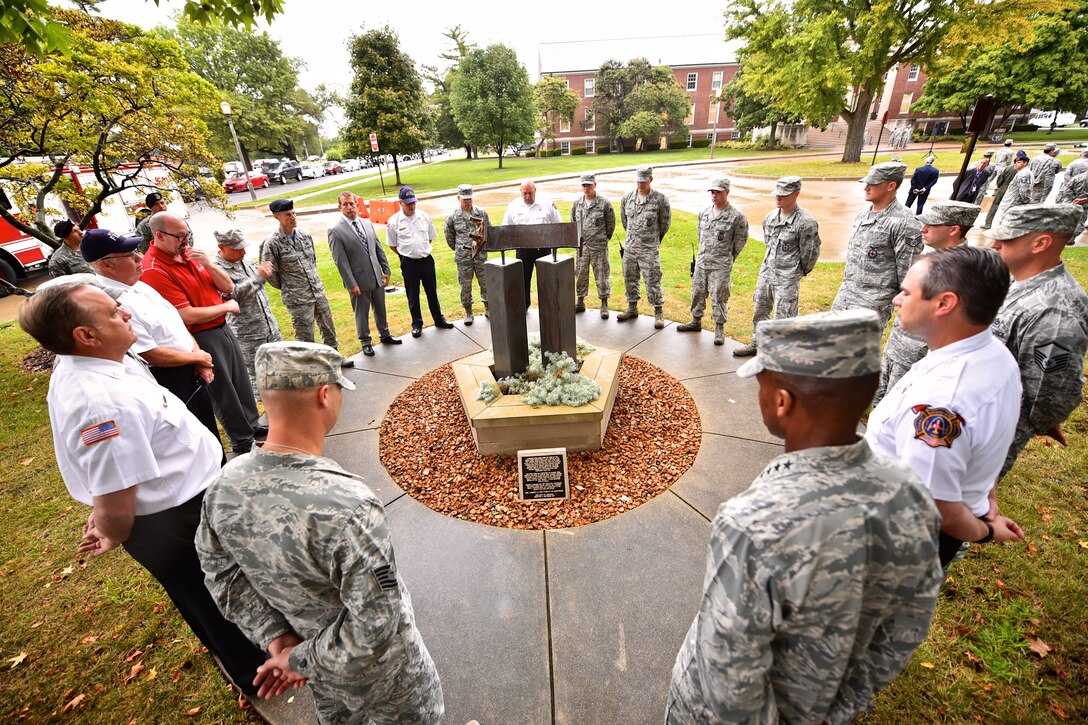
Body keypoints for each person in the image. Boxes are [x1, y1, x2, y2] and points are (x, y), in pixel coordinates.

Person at [666, 309, 942, 724]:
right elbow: (906, 625)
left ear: (782, 402)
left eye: (761, 385)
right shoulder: (912, 493)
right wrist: (844, 705)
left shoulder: (753, 524)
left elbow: (728, 682)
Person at [18, 282, 272, 701]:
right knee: (212, 598)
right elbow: (116, 494)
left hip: (190, 500)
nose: (127, 314)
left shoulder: (101, 359)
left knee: (232, 581)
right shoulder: (100, 403)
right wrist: (109, 526)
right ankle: (258, 672)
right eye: (114, 313)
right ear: (86, 335)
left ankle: (264, 646)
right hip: (174, 521)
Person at [196, 341, 444, 723]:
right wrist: (297, 659)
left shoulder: (223, 487)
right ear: (325, 394)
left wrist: (279, 642)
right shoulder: (349, 505)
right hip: (389, 680)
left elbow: (221, 574)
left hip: (315, 670)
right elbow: (377, 624)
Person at [866, 247, 1025, 568]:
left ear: (944, 303)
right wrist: (985, 494)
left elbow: (934, 506)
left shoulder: (943, 400)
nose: (898, 299)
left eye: (907, 292)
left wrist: (987, 532)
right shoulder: (994, 354)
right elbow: (988, 442)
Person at [84, 228, 221, 445]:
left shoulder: (141, 285)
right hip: (169, 380)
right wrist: (199, 358)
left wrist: (198, 356)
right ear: (106, 265)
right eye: (129, 255)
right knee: (190, 443)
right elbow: (149, 354)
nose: (139, 258)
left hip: (192, 368)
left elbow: (177, 325)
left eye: (135, 251)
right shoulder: (112, 303)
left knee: (210, 437)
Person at [142, 212, 262, 453]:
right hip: (200, 335)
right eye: (180, 236)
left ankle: (252, 425)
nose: (186, 240)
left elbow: (227, 287)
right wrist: (227, 306)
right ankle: (241, 439)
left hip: (222, 327)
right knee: (223, 391)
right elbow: (185, 314)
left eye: (187, 234)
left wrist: (207, 264)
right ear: (159, 236)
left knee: (240, 382)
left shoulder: (189, 255)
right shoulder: (154, 268)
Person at [988, 204, 1088, 477]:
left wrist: (1034, 422)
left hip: (998, 425)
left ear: (1040, 243)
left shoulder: (1055, 311)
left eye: (1007, 238)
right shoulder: (1021, 282)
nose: (995, 243)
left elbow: (1053, 391)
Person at [873, 200, 980, 405]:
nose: (923, 228)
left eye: (931, 225)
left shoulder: (962, 271)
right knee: (882, 400)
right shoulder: (929, 257)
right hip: (898, 343)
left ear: (954, 229)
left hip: (920, 352)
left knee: (899, 405)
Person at [734, 176, 821, 357]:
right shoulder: (771, 217)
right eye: (777, 194)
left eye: (784, 194)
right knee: (760, 310)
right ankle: (757, 343)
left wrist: (797, 272)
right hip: (767, 273)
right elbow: (769, 244)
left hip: (787, 278)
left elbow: (810, 253)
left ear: (796, 194)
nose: (778, 198)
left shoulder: (805, 223)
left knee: (784, 318)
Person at [831, 161, 923, 327]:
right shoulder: (862, 214)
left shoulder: (905, 223)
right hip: (846, 295)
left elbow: (908, 272)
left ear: (891, 185)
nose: (866, 187)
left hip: (872, 304)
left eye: (873, 183)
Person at [676, 178, 749, 345]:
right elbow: (701, 236)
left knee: (719, 296)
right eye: (712, 192)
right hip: (702, 262)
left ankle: (719, 328)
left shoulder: (737, 217)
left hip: (720, 265)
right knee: (697, 293)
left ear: (727, 192)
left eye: (718, 192)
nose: (714, 195)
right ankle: (696, 321)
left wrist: (728, 257)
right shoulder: (704, 213)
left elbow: (740, 241)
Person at [261, 198, 341, 351]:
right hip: (297, 298)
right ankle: (309, 367)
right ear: (277, 217)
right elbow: (269, 273)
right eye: (288, 215)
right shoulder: (272, 243)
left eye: (294, 213)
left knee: (328, 327)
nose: (293, 218)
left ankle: (334, 356)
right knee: (305, 336)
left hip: (317, 291)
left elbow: (312, 262)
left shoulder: (304, 235)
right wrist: (289, 286)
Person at [212, 229, 283, 395]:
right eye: (237, 248)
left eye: (243, 246)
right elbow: (233, 295)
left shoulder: (246, 261)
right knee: (259, 380)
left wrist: (265, 273)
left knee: (279, 373)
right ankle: (265, 419)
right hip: (249, 334)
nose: (243, 251)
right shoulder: (218, 270)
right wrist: (259, 276)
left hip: (269, 327)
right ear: (221, 247)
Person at [328, 192, 401, 355]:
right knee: (361, 313)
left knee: (380, 308)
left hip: (376, 276)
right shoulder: (335, 230)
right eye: (345, 204)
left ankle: (385, 334)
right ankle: (365, 342)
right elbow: (340, 261)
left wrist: (385, 269)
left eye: (352, 204)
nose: (349, 207)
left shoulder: (366, 223)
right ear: (340, 207)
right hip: (358, 282)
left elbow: (377, 247)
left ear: (357, 205)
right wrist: (351, 283)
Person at [387, 185, 454, 338]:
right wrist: (407, 254)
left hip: (426, 260)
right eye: (408, 203)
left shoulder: (424, 216)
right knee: (413, 294)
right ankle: (417, 324)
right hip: (409, 263)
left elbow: (430, 237)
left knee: (432, 291)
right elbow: (392, 245)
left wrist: (421, 250)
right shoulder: (394, 222)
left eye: (414, 203)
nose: (412, 206)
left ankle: (438, 319)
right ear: (400, 203)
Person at [618, 165, 672, 327]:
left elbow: (665, 224)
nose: (640, 184)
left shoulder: (660, 199)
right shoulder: (627, 198)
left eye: (643, 181)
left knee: (653, 280)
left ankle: (658, 312)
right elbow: (625, 222)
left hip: (649, 249)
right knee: (629, 278)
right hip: (630, 248)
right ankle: (632, 308)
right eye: (638, 180)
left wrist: (654, 240)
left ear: (650, 179)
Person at [501, 179, 561, 309]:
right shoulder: (513, 206)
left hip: (543, 250)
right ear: (520, 192)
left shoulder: (547, 204)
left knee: (546, 281)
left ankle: (548, 306)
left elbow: (558, 224)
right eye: (525, 194)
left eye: (530, 193)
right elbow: (505, 228)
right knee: (522, 281)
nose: (528, 196)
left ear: (535, 190)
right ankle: (523, 306)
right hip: (523, 251)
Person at [570, 173, 617, 319]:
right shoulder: (577, 204)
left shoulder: (604, 203)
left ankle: (604, 304)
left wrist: (603, 239)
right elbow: (573, 223)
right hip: (582, 247)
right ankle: (580, 301)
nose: (586, 188)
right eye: (584, 185)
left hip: (599, 247)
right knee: (580, 275)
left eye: (589, 185)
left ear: (595, 185)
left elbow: (611, 224)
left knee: (602, 275)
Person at [444, 184, 491, 324]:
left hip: (480, 256)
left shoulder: (481, 213)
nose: (468, 202)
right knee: (465, 286)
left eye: (470, 199)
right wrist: (460, 249)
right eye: (465, 200)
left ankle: (488, 308)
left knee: (485, 283)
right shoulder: (452, 217)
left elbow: (489, 231)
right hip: (463, 258)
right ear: (458, 198)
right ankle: (468, 312)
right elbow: (449, 237)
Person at [993, 150, 1034, 227]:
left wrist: (1028, 200)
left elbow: (1024, 192)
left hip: (1011, 204)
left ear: (1025, 163)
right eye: (1015, 162)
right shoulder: (1024, 172)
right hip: (1011, 204)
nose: (1015, 164)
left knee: (1002, 225)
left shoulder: (1023, 174)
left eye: (1018, 162)